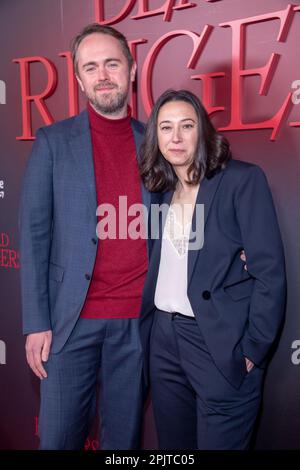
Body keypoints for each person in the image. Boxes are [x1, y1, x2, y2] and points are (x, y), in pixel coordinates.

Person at [19, 23, 150, 450]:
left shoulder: (157, 143)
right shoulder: (53, 143)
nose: (103, 75)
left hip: (136, 322)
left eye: (112, 63)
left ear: (131, 70)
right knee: (57, 440)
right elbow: (35, 236)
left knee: (123, 445)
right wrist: (37, 321)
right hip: (68, 323)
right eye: (90, 67)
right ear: (78, 79)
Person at [139, 89, 286, 449]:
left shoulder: (240, 181)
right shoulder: (159, 188)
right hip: (163, 340)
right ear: (155, 137)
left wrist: (252, 349)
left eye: (186, 126)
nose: (175, 137)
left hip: (216, 342)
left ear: (202, 131)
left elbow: (270, 272)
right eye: (165, 127)